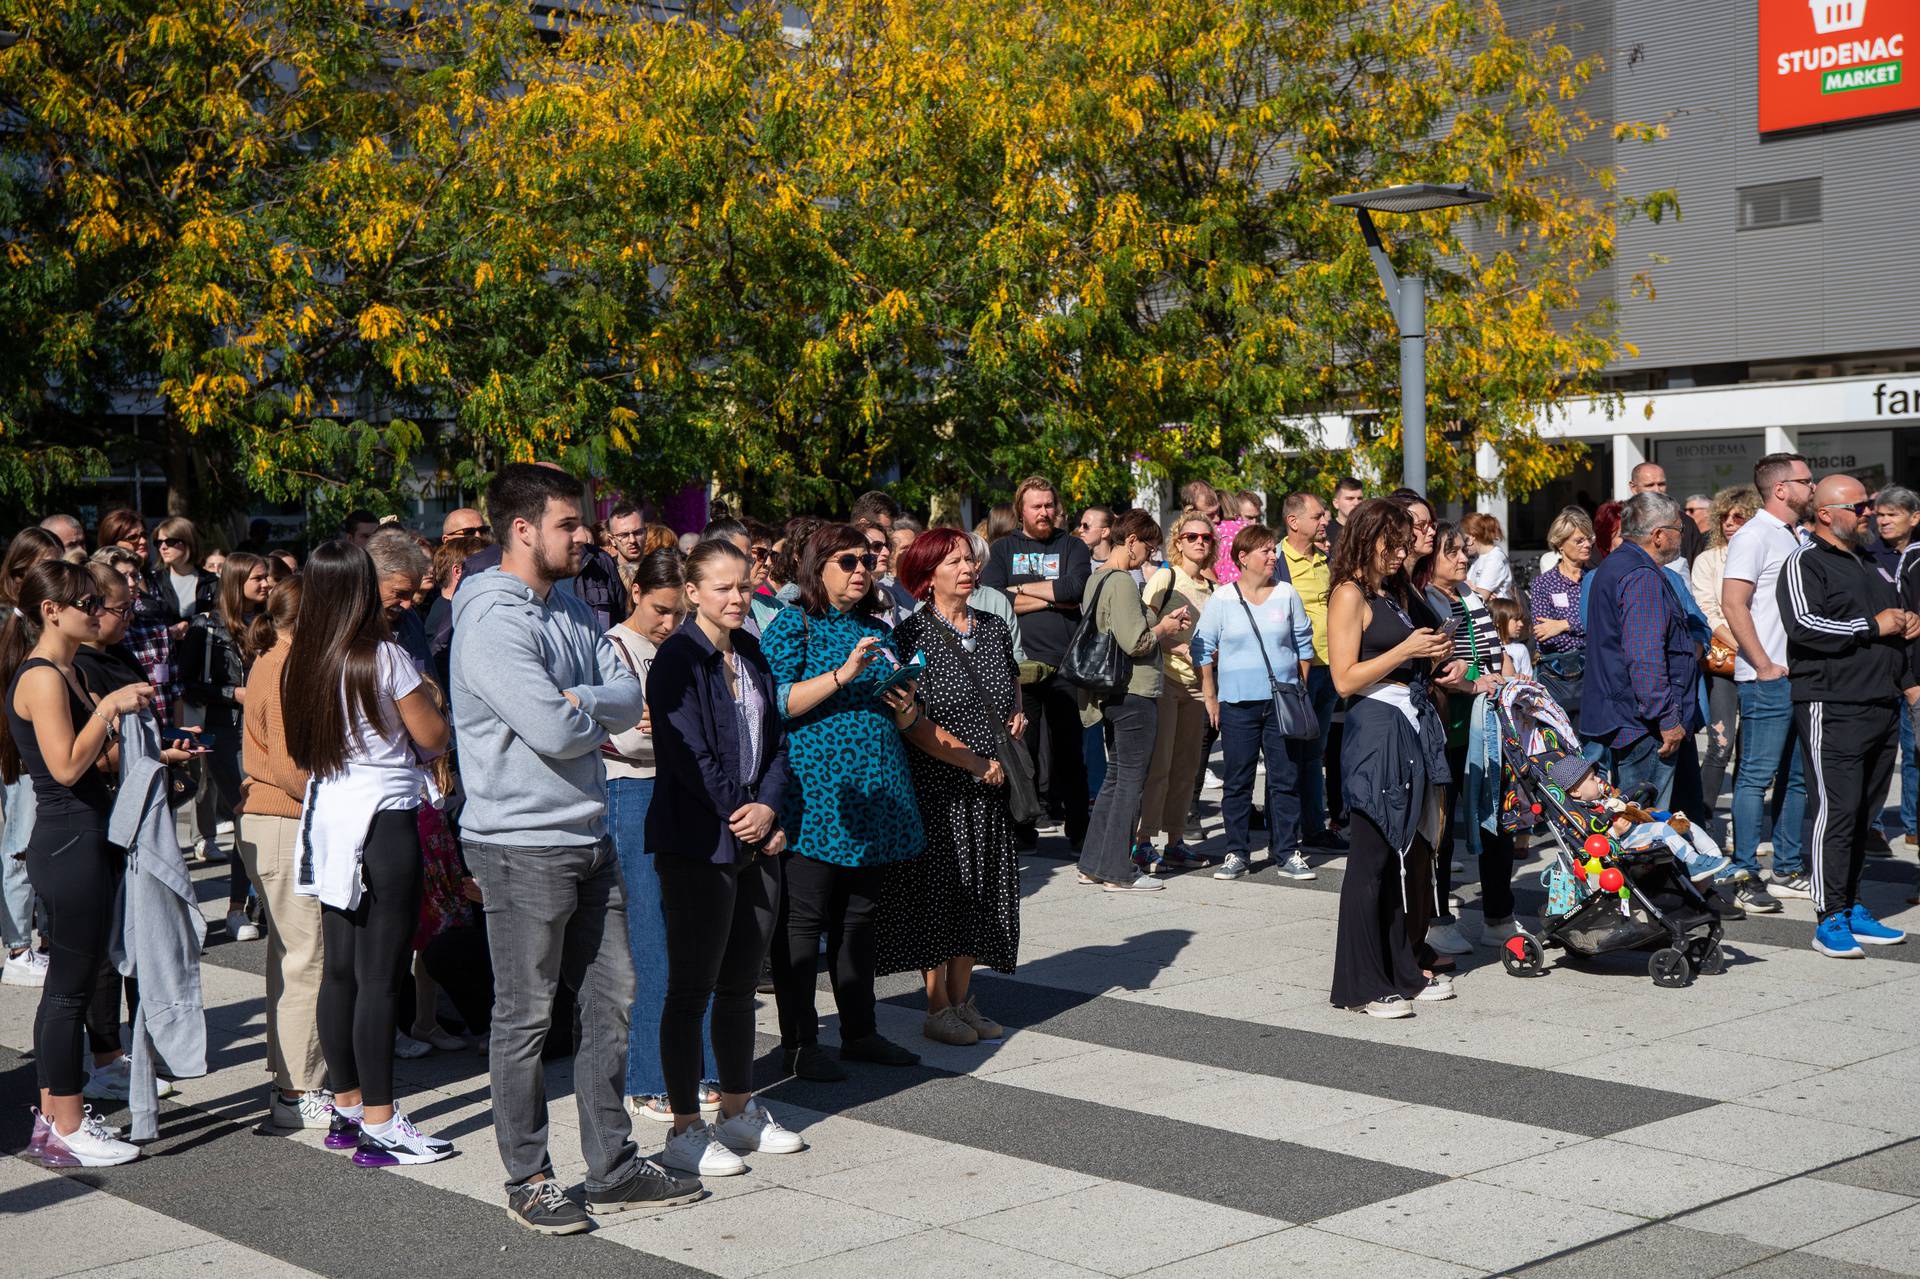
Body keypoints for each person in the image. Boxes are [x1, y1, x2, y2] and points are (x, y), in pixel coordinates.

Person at [449, 463, 694, 1231]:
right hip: (520, 843)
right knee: (525, 1018)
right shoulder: (490, 617)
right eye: (568, 523)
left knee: (610, 1003)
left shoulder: (571, 609)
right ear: (522, 530)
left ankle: (612, 1164)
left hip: (587, 831)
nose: (584, 534)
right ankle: (528, 1176)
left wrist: (580, 700)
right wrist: (590, 711)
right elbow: (555, 731)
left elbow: (626, 694)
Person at [282, 542, 453, 1167]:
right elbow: (432, 736)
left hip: (330, 813)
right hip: (383, 815)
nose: (403, 604)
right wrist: (434, 703)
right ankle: (381, 1120)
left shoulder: (303, 657)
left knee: (341, 971)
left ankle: (348, 1109)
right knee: (382, 976)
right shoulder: (384, 656)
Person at [646, 539, 802, 1182]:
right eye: (723, 588)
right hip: (699, 842)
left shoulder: (754, 651)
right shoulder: (678, 658)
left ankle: (738, 1109)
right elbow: (689, 757)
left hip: (756, 837)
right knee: (691, 988)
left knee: (740, 984)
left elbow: (777, 740)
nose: (738, 597)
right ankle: (685, 1127)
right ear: (692, 592)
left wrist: (768, 808)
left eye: (743, 585)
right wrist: (742, 814)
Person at [761, 523, 926, 1074]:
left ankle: (861, 1032)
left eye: (868, 560)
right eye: (848, 561)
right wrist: (843, 673)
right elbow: (775, 702)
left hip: (872, 798)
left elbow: (900, 713)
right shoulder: (794, 624)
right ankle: (801, 1044)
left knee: (860, 919)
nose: (862, 570)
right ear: (817, 567)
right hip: (815, 799)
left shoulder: (877, 627)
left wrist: (904, 703)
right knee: (804, 923)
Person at [5, 560, 154, 1165]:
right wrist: (109, 706)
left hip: (80, 833)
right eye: (87, 603)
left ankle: (56, 1115)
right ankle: (66, 1123)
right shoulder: (42, 675)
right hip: (67, 839)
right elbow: (66, 766)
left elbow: (91, 761)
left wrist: (153, 752)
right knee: (68, 989)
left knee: (69, 987)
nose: (97, 612)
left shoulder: (64, 670)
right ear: (51, 610)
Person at [882, 529, 1022, 1046]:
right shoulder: (910, 637)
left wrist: (1017, 714)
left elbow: (1010, 685)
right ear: (926, 574)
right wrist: (969, 760)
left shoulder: (990, 627)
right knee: (941, 894)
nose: (967, 568)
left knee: (982, 891)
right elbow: (910, 721)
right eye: (953, 561)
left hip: (991, 783)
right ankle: (937, 1006)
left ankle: (964, 1001)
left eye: (969, 559)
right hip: (940, 785)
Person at [1326, 501, 1454, 1017]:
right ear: (1367, 537)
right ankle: (1360, 984)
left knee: (1405, 854)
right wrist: (1404, 653)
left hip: (1410, 724)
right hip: (1375, 729)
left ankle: (1402, 969)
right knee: (1372, 859)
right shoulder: (1349, 593)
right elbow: (1343, 680)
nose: (1402, 552)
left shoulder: (1392, 592)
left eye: (1406, 542)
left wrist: (1432, 652)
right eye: (1393, 542)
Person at [1781, 474, 1916, 958]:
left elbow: (1890, 616)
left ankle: (1852, 903)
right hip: (1830, 703)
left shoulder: (1870, 561)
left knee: (1864, 813)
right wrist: (1870, 626)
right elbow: (1803, 625)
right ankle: (1828, 915)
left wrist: (1904, 620)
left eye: (1871, 506)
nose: (1868, 514)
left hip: (1880, 701)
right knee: (1834, 810)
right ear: (1826, 514)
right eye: (1859, 506)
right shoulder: (1804, 561)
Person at [604, 550, 717, 1125]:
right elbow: (614, 736)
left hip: (683, 789)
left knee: (698, 933)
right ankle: (650, 1078)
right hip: (633, 791)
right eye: (659, 610)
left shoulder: (689, 645)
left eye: (678, 612)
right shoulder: (614, 648)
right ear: (635, 593)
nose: (668, 623)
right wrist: (646, 724)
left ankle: (705, 1067)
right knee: (651, 939)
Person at [232, 574, 334, 1130]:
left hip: (273, 819)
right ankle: (299, 1089)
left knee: (291, 958)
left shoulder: (274, 658)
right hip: (284, 819)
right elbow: (295, 767)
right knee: (306, 958)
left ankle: (290, 1081)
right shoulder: (286, 665)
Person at [1192, 523, 1315, 883]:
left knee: (1284, 779)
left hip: (1281, 704)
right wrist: (1210, 695)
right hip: (1237, 703)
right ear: (1242, 558)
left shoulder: (1287, 594)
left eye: (1273, 549)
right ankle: (1236, 851)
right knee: (1238, 780)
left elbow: (1304, 645)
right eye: (1264, 550)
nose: (1272, 556)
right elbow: (1202, 645)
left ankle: (1287, 851)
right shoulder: (1223, 598)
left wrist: (1299, 689)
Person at [1720, 452, 1816, 914]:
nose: (1812, 488)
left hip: (1799, 676)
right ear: (1781, 489)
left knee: (1797, 779)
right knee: (1756, 777)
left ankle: (1787, 867)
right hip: (1767, 677)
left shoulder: (1795, 535)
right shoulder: (1754, 535)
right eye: (1805, 481)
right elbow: (1733, 603)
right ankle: (1743, 872)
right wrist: (1761, 663)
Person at [1074, 510, 1188, 891]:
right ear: (1132, 539)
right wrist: (1165, 627)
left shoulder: (1097, 578)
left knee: (1115, 777)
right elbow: (1136, 641)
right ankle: (1118, 870)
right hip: (1133, 690)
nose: (1149, 556)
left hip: (1111, 691)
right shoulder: (1122, 581)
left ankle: (1093, 863)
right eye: (1149, 546)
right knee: (1129, 781)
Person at [978, 476, 1093, 848]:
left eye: (1049, 505)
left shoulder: (1072, 546)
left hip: (1065, 665)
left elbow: (1075, 589)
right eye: (1036, 506)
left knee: (1069, 750)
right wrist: (1050, 597)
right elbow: (995, 598)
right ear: (1020, 510)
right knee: (1020, 749)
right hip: (1019, 666)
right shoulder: (1002, 549)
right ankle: (1022, 828)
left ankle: (1078, 827)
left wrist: (1022, 589)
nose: (1044, 512)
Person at [1416, 523, 1513, 952]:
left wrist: (1508, 680)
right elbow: (1440, 664)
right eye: (1451, 552)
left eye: (1464, 552)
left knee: (1497, 821)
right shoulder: (1423, 601)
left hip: (1486, 728)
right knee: (1440, 829)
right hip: (1446, 728)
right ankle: (1437, 920)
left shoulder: (1469, 596)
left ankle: (1499, 914)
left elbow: (1498, 652)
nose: (1462, 559)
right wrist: (1479, 679)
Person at [1580, 493, 1699, 810]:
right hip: (1642, 725)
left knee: (1635, 821)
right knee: (1643, 828)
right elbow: (1644, 655)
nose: (1681, 536)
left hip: (1628, 717)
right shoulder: (1639, 575)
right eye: (1677, 528)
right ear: (1658, 535)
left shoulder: (1617, 565)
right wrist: (1666, 718)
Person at [181, 552, 270, 938]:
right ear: (237, 583)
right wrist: (234, 692)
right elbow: (190, 684)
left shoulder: (269, 623)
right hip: (226, 731)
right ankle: (236, 908)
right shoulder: (207, 627)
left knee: (257, 816)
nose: (267, 584)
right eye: (259, 578)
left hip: (267, 729)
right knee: (246, 811)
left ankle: (255, 899)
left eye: (268, 577)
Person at [1135, 510, 1217, 869]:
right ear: (1178, 542)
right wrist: (1174, 645)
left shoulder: (1211, 587)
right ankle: (1142, 841)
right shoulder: (1166, 578)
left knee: (1187, 767)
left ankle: (1175, 840)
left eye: (1206, 538)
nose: (1200, 542)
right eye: (1192, 537)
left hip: (1197, 686)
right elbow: (1141, 630)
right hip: (1166, 680)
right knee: (1161, 766)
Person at [1, 529, 64, 989]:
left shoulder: (35, 621)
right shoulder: (11, 623)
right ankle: (18, 946)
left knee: (35, 844)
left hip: (36, 749)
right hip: (17, 750)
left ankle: (39, 941)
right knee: (18, 847)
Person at [1689, 485, 1758, 843]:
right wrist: (1748, 646)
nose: (1730, 523)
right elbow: (1708, 611)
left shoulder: (1766, 553)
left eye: (1738, 516)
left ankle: (1747, 829)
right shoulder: (1709, 559)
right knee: (1720, 744)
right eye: (1724, 517)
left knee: (1754, 750)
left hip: (1765, 663)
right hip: (1726, 661)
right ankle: (1701, 820)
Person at [1275, 492, 1341, 847]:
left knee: (1315, 752)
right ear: (1294, 521)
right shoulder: (1276, 561)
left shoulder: (1325, 559)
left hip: (1331, 668)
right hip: (1295, 671)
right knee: (1288, 754)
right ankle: (1284, 829)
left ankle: (1315, 827)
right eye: (1317, 516)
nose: (1325, 520)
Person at [1870, 485, 1920, 851]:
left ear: (1914, 518)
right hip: (1881, 671)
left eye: (1892, 515)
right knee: (1877, 753)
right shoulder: (1867, 556)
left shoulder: (1917, 558)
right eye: (1880, 514)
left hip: (1914, 673)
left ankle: (1914, 825)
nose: (1883, 521)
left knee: (1914, 753)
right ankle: (1871, 825)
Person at [1529, 508, 1593, 717]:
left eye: (1588, 539)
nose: (1587, 545)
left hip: (1593, 673)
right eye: (1579, 541)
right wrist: (1585, 628)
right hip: (1558, 676)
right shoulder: (1543, 584)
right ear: (1560, 544)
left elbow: (1605, 625)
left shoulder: (1595, 580)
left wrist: (1563, 625)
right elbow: (1544, 638)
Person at [367, 527, 431, 670]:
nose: (407, 605)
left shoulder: (411, 621)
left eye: (412, 593)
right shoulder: (347, 629)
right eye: (399, 593)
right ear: (372, 581)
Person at [152, 518, 219, 622]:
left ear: (188, 542)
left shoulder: (212, 581)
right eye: (159, 542)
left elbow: (220, 618)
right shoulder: (154, 581)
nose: (163, 547)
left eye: (170, 541)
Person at [1462, 512, 1513, 601]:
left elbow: (1480, 597)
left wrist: (1471, 589)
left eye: (1464, 539)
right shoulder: (1479, 558)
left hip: (1497, 613)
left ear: (1472, 537)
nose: (1463, 545)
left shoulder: (1495, 558)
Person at [1489, 597, 1533, 679]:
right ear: (1498, 621)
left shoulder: (1521, 649)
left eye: (1521, 619)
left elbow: (1529, 679)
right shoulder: (1486, 649)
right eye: (1516, 619)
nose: (1521, 624)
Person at [606, 501, 648, 578]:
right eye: (624, 535)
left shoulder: (659, 569)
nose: (632, 540)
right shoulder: (606, 575)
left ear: (646, 533)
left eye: (637, 532)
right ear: (612, 540)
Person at [1327, 476, 1365, 552]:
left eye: (1359, 499)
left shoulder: (1370, 530)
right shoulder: (1325, 531)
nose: (1356, 503)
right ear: (1336, 503)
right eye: (1350, 499)